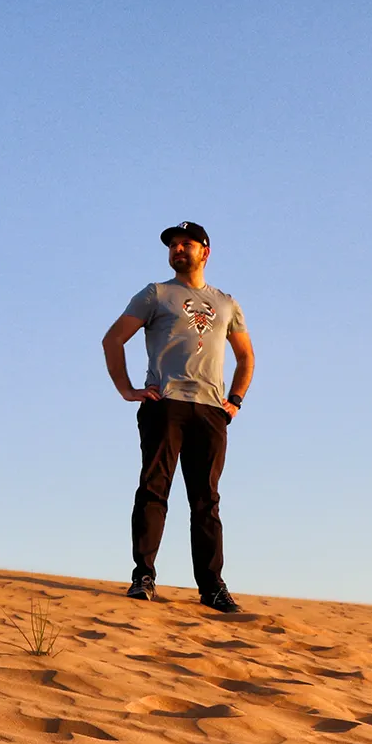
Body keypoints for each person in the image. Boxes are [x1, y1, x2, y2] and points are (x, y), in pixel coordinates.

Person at [100, 221, 255, 614]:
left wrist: (234, 400)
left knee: (206, 500)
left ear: (205, 251)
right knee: (154, 489)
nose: (178, 249)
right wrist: (127, 389)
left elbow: (246, 356)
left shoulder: (227, 303)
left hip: (210, 410)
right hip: (164, 403)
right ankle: (144, 576)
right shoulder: (156, 294)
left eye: (187, 243)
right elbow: (113, 338)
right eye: (173, 245)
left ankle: (212, 587)